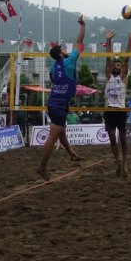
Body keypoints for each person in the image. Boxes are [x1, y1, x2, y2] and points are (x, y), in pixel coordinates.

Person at [36, 15, 86, 181]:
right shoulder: (69, 61)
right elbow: (79, 42)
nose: (66, 49)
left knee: (61, 132)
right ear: (61, 53)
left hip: (55, 102)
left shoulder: (53, 66)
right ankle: (42, 168)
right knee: (54, 135)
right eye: (63, 48)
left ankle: (72, 154)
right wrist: (82, 25)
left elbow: (53, 79)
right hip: (59, 104)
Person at [103, 29, 131, 178]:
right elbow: (108, 58)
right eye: (115, 65)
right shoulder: (108, 76)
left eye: (118, 65)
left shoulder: (123, 77)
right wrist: (108, 40)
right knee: (111, 136)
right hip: (109, 110)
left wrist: (130, 42)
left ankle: (125, 164)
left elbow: (126, 60)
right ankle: (117, 162)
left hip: (121, 110)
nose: (116, 66)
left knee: (123, 138)